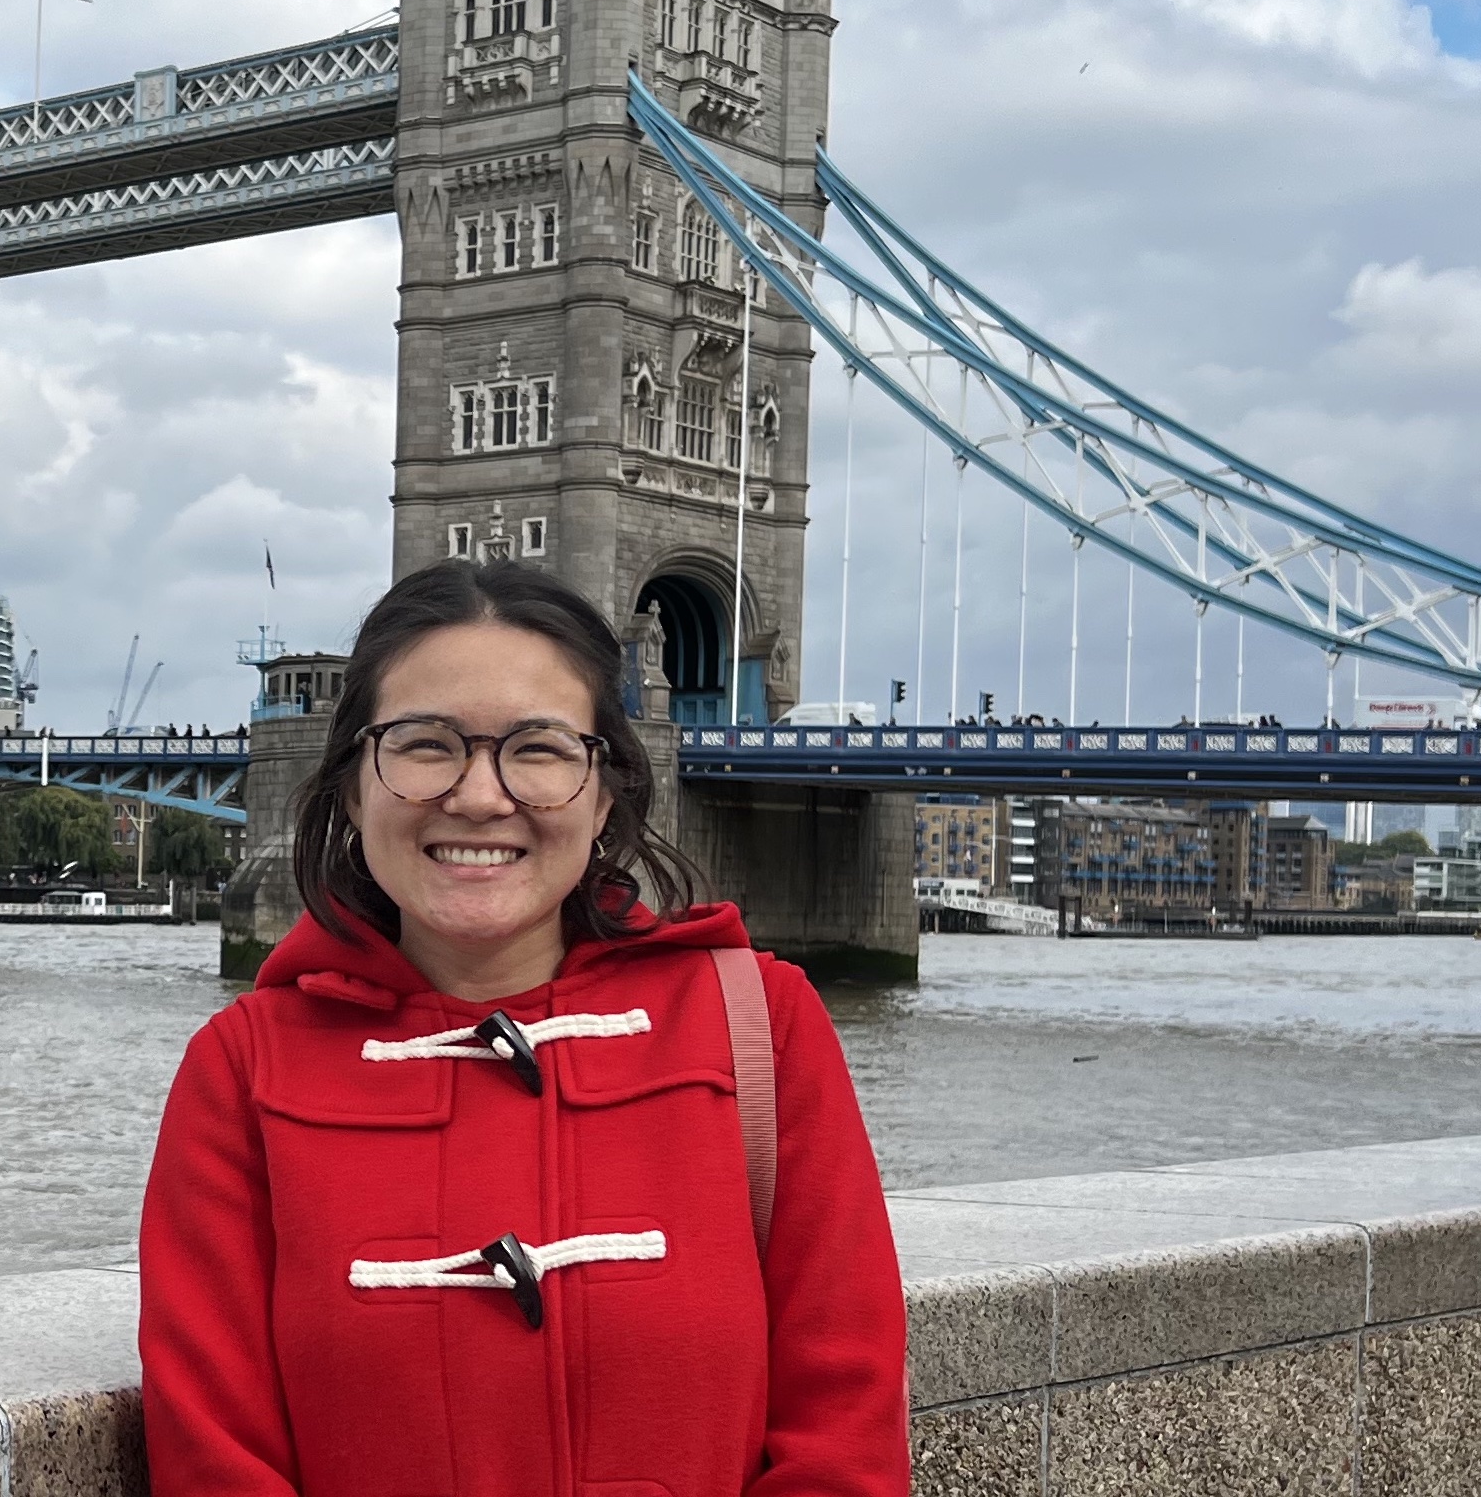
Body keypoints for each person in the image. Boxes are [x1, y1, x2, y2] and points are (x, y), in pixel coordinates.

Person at [140, 560, 908, 1495]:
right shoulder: (241, 1070)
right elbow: (214, 1461)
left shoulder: (766, 1031)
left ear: (606, 790)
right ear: (351, 787)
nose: (478, 795)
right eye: (425, 745)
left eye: (539, 749)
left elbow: (845, 1437)